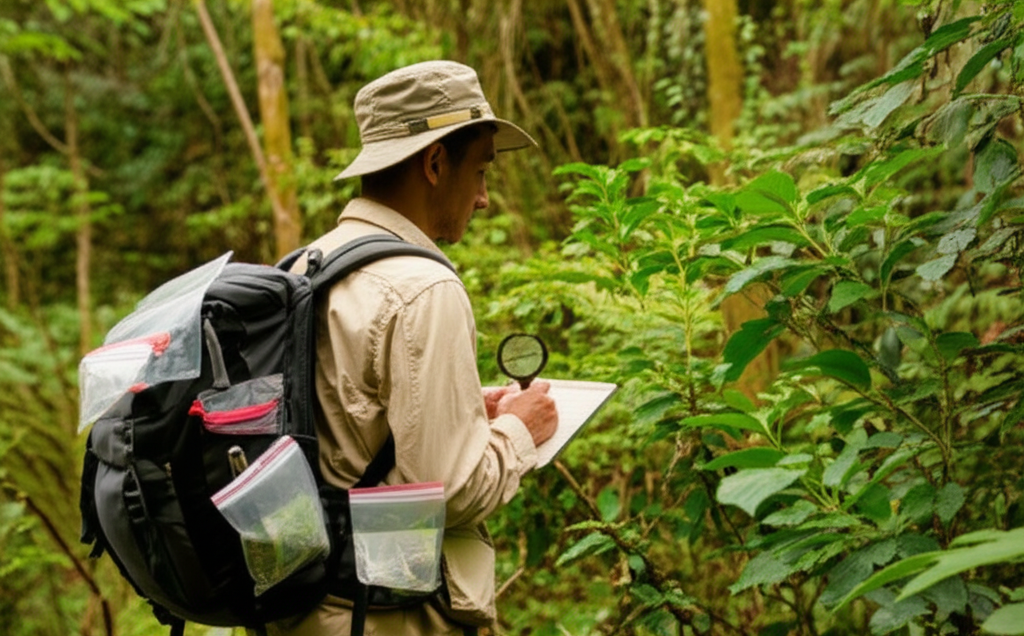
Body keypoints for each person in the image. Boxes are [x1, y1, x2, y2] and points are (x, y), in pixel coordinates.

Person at [275, 61, 559, 636]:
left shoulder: (307, 265)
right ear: (434, 163)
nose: (483, 198)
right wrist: (520, 431)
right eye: (480, 171)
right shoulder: (423, 287)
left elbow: (341, 424)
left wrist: (464, 410)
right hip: (382, 617)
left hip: (300, 606)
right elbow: (451, 492)